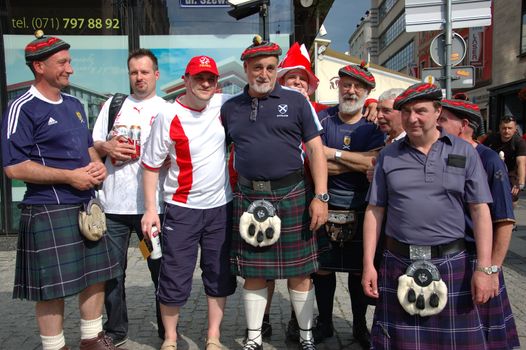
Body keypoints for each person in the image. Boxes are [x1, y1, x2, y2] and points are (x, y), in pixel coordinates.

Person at [1, 31, 121, 350]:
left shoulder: (74, 104)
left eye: (69, 61)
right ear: (39, 66)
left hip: (85, 205)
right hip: (47, 209)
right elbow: (14, 166)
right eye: (63, 62)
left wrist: (97, 163)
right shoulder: (22, 108)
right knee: (52, 287)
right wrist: (70, 177)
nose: (70, 69)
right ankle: (55, 346)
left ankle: (91, 338)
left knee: (97, 274)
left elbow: (85, 151)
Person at [362, 82, 495, 349]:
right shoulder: (388, 156)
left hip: (451, 262)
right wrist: (368, 264)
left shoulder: (464, 151)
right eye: (407, 111)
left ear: (437, 111)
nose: (413, 118)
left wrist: (484, 268)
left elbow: (480, 211)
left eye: (421, 111)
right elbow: (374, 211)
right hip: (398, 262)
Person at [221, 37, 328, 350]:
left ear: (277, 68)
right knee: (254, 273)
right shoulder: (231, 108)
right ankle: (254, 336)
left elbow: (315, 149)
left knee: (301, 273)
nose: (264, 73)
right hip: (249, 197)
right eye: (257, 68)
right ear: (246, 69)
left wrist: (320, 196)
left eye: (270, 67)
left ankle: (306, 336)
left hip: (291, 193)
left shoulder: (296, 102)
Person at [141, 55, 236, 350]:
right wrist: (150, 209)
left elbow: (261, 91)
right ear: (187, 80)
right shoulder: (168, 116)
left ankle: (213, 336)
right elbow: (150, 164)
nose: (205, 84)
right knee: (174, 274)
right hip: (181, 209)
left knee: (218, 273)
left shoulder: (223, 106)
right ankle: (170, 338)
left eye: (210, 79)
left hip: (221, 206)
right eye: (199, 78)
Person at [92, 48, 166, 345]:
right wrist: (107, 148)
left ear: (156, 75)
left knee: (157, 267)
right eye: (134, 72)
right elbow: (93, 145)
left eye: (145, 72)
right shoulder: (113, 105)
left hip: (151, 209)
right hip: (113, 208)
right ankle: (116, 330)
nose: (139, 78)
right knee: (113, 273)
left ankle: (166, 329)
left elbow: (178, 153)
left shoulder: (166, 109)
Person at [438, 99, 521, 349]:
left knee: (481, 337)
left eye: (443, 120)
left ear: (463, 125)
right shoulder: (440, 154)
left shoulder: (489, 160)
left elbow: (504, 221)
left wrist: (492, 269)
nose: (437, 125)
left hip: (478, 259)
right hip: (447, 258)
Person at [312, 63, 384, 349]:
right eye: (346, 84)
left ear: (367, 92)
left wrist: (332, 154)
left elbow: (375, 163)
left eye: (358, 86)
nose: (350, 90)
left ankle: (359, 325)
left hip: (360, 207)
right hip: (325, 205)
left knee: (358, 272)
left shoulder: (372, 125)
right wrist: (354, 161)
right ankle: (325, 323)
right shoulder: (322, 118)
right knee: (322, 270)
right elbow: (313, 162)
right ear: (338, 86)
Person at [483, 115, 526, 202]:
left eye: (510, 128)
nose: (506, 131)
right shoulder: (491, 139)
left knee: (511, 198)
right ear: (499, 128)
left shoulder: (519, 142)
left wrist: (520, 183)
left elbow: (521, 163)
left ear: (515, 129)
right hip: (492, 171)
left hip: (511, 173)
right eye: (504, 128)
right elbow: (482, 155)